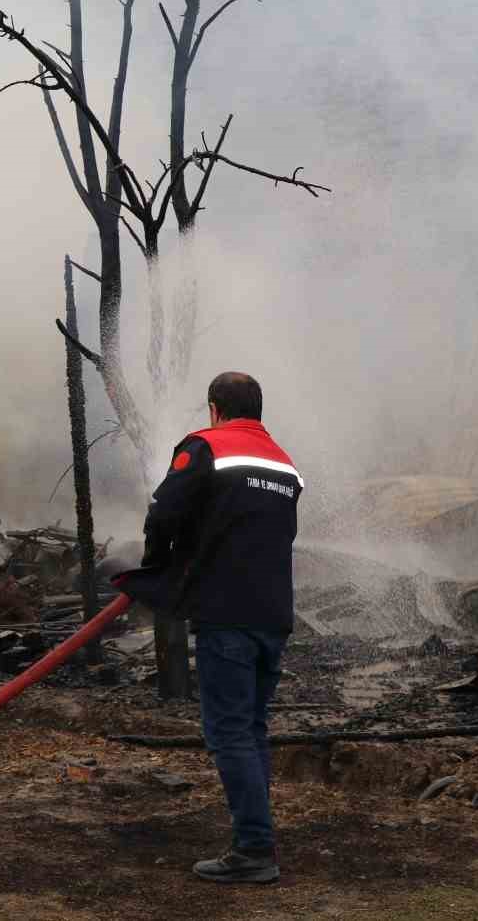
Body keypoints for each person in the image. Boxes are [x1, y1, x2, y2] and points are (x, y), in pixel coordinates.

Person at [111, 371, 301, 884]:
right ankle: (257, 841)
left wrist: (153, 569)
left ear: (215, 407)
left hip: (227, 616)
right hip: (274, 616)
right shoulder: (285, 464)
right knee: (252, 728)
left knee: (228, 732)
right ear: (257, 409)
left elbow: (164, 513)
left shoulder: (205, 446)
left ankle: (254, 850)